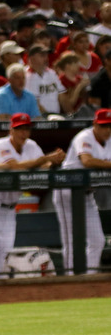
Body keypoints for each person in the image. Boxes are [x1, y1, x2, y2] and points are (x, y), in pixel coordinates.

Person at [0, 113, 65, 278]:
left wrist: (53, 161)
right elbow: (15, 167)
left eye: (26, 129)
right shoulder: (0, 145)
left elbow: (43, 166)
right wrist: (45, 159)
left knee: (3, 253)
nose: (23, 133)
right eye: (19, 129)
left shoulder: (31, 146)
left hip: (10, 210)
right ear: (11, 129)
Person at [53, 108, 111, 274]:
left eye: (109, 126)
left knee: (97, 240)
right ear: (95, 124)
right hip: (67, 192)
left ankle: (88, 278)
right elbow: (87, 160)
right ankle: (71, 279)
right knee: (72, 241)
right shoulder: (84, 136)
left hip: (87, 194)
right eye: (103, 125)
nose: (107, 129)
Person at [24, 44, 68, 115]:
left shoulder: (51, 73)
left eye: (46, 55)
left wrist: (70, 114)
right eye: (42, 56)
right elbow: (35, 103)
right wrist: (48, 117)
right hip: (38, 119)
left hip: (55, 117)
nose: (46, 59)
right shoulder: (26, 76)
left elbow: (62, 96)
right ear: (32, 58)